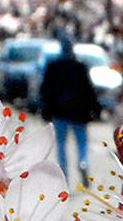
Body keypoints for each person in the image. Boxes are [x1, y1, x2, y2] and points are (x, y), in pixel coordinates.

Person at [38, 37, 101, 186]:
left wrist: (45, 110)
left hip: (59, 112)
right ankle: (83, 162)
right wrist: (96, 109)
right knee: (82, 143)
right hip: (79, 113)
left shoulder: (53, 66)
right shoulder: (80, 67)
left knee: (61, 144)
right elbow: (89, 90)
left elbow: (45, 90)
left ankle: (63, 174)